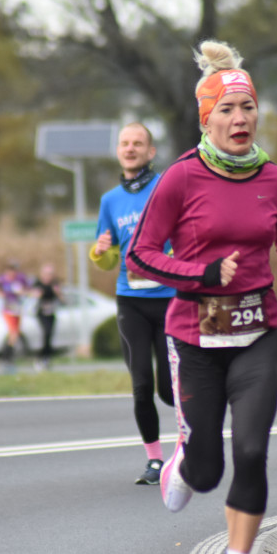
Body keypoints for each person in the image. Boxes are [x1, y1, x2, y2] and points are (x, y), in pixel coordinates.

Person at [126, 40, 277, 554]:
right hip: (195, 338)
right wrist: (202, 272)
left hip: (259, 332)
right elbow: (140, 256)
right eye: (228, 111)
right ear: (207, 118)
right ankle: (185, 457)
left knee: (253, 452)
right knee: (208, 471)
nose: (240, 120)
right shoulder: (181, 179)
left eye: (248, 109)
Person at [90, 122, 176, 486]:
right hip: (131, 302)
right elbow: (108, 256)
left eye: (138, 143)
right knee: (141, 384)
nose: (130, 148)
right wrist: (99, 253)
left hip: (171, 299)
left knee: (169, 390)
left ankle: (192, 442)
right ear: (118, 151)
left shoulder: (167, 187)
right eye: (125, 143)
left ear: (150, 151)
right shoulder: (110, 200)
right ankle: (155, 461)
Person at [0, 260, 31, 373]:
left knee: (15, 334)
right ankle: (6, 358)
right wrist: (2, 294)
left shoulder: (20, 279)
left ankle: (8, 358)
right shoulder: (2, 280)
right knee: (13, 333)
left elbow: (27, 290)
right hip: (8, 309)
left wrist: (22, 292)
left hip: (17, 309)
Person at [32, 263, 63, 370]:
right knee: (46, 333)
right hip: (41, 313)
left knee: (50, 336)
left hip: (51, 313)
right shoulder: (38, 284)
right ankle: (39, 358)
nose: (49, 276)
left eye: (51, 274)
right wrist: (36, 294)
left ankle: (47, 358)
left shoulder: (54, 284)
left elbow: (62, 299)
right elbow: (32, 296)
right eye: (47, 273)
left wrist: (58, 293)